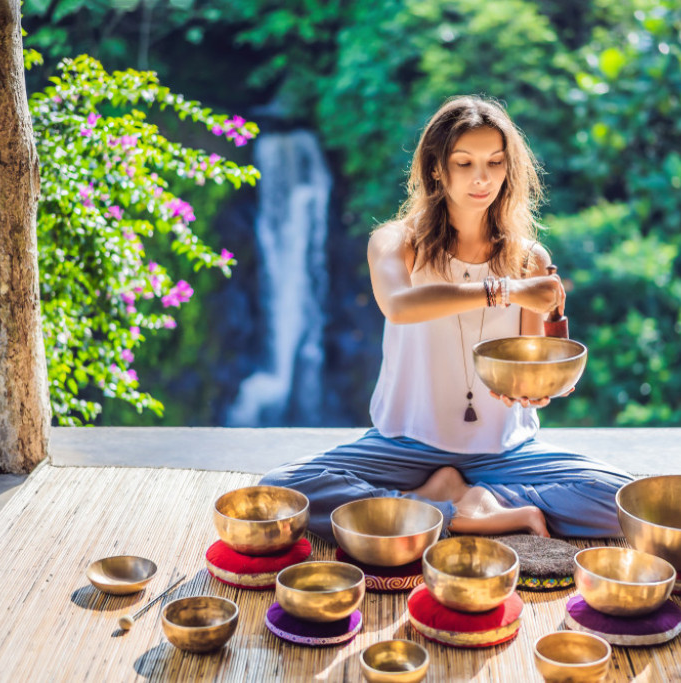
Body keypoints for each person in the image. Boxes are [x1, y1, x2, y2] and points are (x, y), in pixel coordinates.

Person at [259, 95, 632, 543]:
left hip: (504, 451)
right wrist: (506, 290)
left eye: (495, 163)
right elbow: (400, 304)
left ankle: (470, 503)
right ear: (437, 168)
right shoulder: (397, 242)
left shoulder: (530, 259)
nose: (482, 178)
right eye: (464, 163)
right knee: (277, 492)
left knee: (627, 501)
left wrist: (536, 389)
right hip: (404, 445)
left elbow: (529, 366)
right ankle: (447, 507)